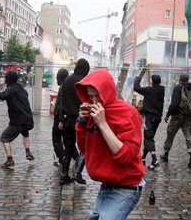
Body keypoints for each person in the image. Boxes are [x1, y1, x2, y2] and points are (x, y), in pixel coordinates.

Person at [75, 69, 145, 219]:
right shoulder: (95, 112)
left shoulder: (128, 113)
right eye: (90, 96)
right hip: (106, 186)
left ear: (106, 92)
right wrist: (81, 123)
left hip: (126, 188)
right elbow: (84, 149)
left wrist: (103, 124)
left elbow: (126, 155)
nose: (94, 102)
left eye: (97, 96)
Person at [0, 70, 35, 168]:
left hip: (18, 120)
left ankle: (9, 160)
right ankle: (28, 152)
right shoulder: (21, 88)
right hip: (28, 118)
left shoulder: (11, 89)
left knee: (4, 138)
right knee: (25, 133)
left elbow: (2, 96)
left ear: (8, 79)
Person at [58, 58, 90, 185]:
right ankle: (78, 173)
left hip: (67, 119)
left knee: (69, 147)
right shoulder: (84, 82)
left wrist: (61, 119)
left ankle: (64, 174)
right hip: (81, 119)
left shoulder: (66, 81)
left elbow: (61, 101)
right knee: (84, 147)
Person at [160, 73, 191, 169]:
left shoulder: (178, 87)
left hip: (177, 116)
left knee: (170, 134)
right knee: (189, 136)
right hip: (188, 116)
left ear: (180, 79)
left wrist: (168, 115)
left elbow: (174, 103)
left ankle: (166, 155)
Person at [134, 74, 165, 170]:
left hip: (150, 118)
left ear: (152, 81)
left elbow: (136, 88)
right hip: (157, 118)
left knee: (148, 138)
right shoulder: (161, 91)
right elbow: (151, 103)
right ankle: (143, 158)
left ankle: (154, 160)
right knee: (150, 137)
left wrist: (138, 78)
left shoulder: (149, 90)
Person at [53, 68, 69, 166]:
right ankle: (75, 157)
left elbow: (63, 104)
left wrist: (61, 120)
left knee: (57, 138)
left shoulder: (63, 88)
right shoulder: (67, 86)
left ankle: (61, 158)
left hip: (60, 117)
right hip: (65, 117)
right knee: (67, 139)